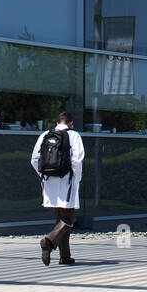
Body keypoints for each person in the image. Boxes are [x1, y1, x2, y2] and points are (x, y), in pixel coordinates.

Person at [30, 111, 84, 265]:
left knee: (60, 219)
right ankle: (48, 241)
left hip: (49, 182)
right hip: (67, 181)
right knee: (68, 219)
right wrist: (76, 179)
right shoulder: (73, 135)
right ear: (70, 123)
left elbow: (34, 160)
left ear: (56, 123)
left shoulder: (45, 135)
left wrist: (44, 176)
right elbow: (77, 160)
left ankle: (65, 256)